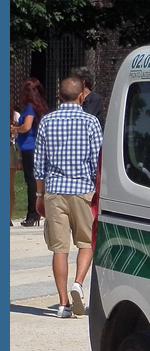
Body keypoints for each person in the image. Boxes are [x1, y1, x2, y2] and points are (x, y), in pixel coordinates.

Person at [33, 76, 103, 318]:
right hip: (83, 190)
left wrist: (39, 194)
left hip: (55, 191)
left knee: (59, 248)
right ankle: (78, 284)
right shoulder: (91, 122)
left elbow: (39, 163)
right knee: (86, 243)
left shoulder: (47, 122)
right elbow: (97, 160)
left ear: (59, 96)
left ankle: (63, 303)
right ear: (82, 96)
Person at [12, 77, 49, 226]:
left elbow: (26, 127)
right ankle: (37, 213)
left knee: (31, 181)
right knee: (36, 179)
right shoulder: (40, 106)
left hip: (29, 147)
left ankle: (33, 214)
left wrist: (15, 129)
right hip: (36, 146)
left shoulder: (29, 107)